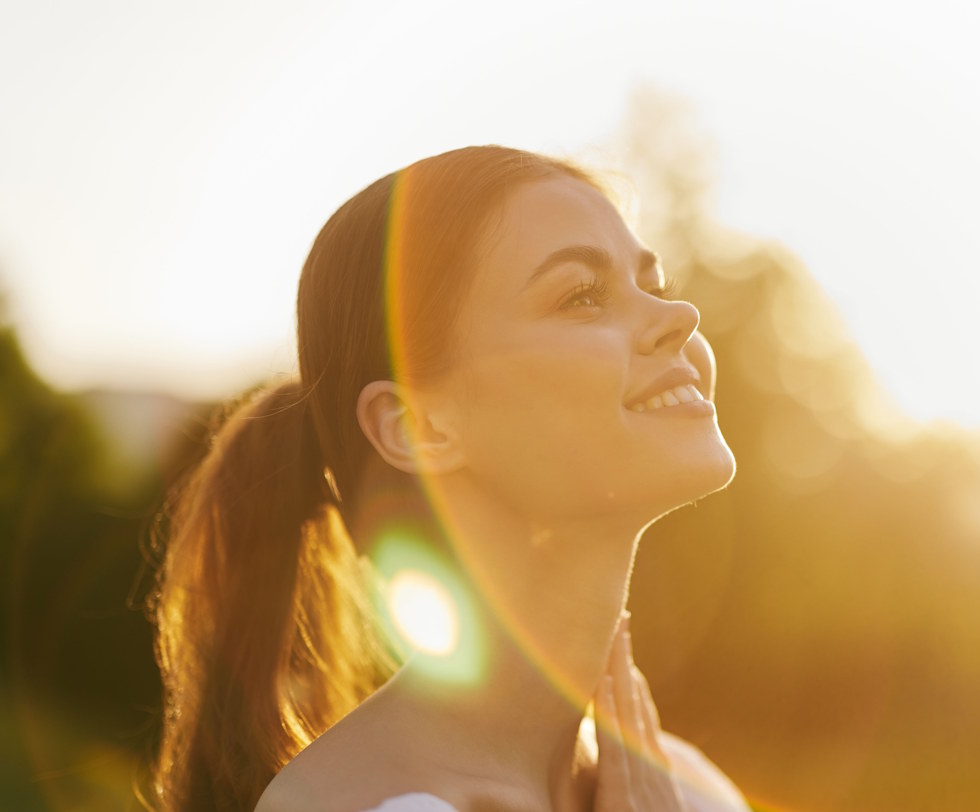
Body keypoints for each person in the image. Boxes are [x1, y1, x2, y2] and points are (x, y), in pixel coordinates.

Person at [149, 146, 746, 811]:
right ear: (416, 426)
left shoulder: (694, 793)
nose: (681, 317)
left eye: (654, 287)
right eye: (582, 295)